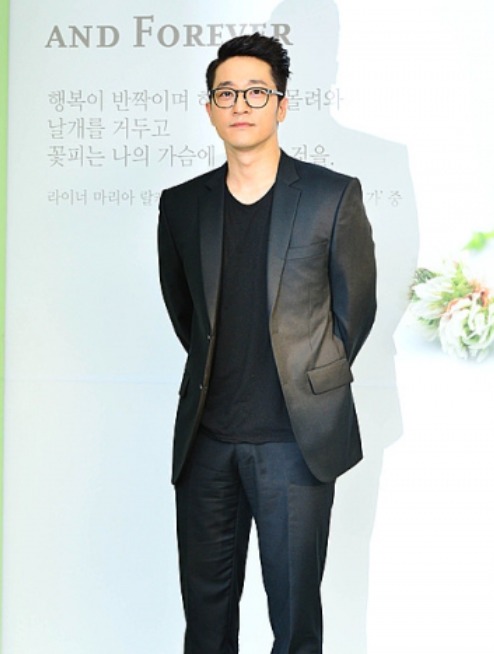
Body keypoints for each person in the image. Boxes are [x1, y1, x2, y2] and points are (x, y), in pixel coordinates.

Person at [158, 32, 376, 654]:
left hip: (296, 444)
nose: (240, 104)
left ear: (281, 105)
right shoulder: (183, 205)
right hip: (206, 444)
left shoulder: (332, 196)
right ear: (209, 108)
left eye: (256, 92)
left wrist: (309, 381)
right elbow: (186, 313)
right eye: (226, 93)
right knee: (206, 623)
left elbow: (354, 312)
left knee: (295, 621)